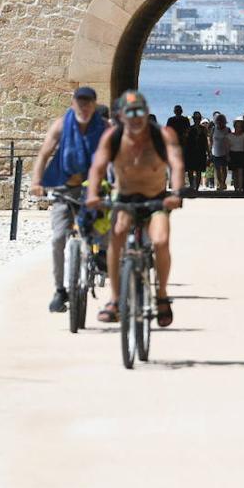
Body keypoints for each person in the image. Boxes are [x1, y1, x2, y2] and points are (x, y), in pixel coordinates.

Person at [85, 90, 184, 327]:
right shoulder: (113, 137)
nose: (136, 117)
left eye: (140, 111)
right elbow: (98, 167)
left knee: (160, 241)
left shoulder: (163, 135)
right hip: (125, 198)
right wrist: (92, 194)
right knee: (117, 234)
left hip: (156, 199)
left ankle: (161, 296)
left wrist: (177, 193)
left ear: (147, 112)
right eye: (130, 112)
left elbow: (177, 164)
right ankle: (116, 300)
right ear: (121, 115)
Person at [30, 86, 109, 314]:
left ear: (94, 105)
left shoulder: (105, 128)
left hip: (95, 187)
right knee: (57, 238)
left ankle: (102, 252)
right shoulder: (61, 125)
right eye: (80, 102)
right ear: (73, 103)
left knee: (105, 220)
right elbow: (44, 154)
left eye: (88, 103)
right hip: (66, 187)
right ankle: (59, 290)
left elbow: (115, 157)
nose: (84, 107)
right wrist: (37, 183)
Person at [182, 111, 207, 190]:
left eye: (198, 118)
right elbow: (185, 141)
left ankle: (196, 187)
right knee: (190, 170)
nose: (197, 120)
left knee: (199, 170)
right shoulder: (189, 129)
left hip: (200, 151)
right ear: (193, 119)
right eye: (196, 118)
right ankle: (192, 185)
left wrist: (208, 152)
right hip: (190, 152)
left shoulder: (203, 129)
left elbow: (206, 141)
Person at [227, 118, 244, 192]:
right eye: (236, 126)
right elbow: (227, 146)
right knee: (234, 172)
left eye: (240, 126)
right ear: (234, 127)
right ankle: (236, 187)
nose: (238, 128)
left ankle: (240, 188)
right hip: (232, 153)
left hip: (241, 154)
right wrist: (227, 155)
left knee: (240, 172)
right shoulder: (230, 136)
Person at [210, 114, 231, 191]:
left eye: (221, 122)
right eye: (218, 122)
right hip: (215, 151)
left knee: (224, 168)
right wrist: (210, 150)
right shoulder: (213, 129)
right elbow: (211, 140)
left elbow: (230, 141)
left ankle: (223, 182)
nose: (220, 124)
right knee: (217, 169)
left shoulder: (227, 129)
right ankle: (220, 183)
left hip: (225, 152)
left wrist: (229, 153)